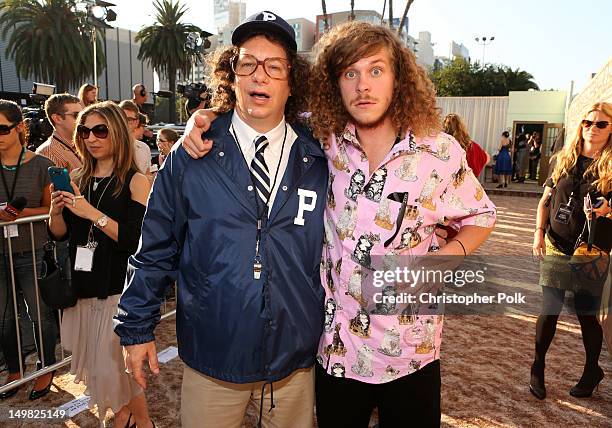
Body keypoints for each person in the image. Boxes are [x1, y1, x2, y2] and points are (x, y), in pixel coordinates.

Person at [182, 21, 496, 427]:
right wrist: (205, 117)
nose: (363, 85)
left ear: (398, 78)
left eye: (376, 70)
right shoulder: (321, 140)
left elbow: (481, 216)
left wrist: (444, 259)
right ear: (334, 83)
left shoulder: (438, 151)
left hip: (411, 353)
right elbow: (260, 111)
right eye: (350, 73)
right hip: (337, 355)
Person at [114, 11, 326, 428]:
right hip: (213, 357)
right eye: (247, 63)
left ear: (292, 82)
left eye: (274, 67)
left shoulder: (321, 158)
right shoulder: (193, 154)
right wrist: (136, 328)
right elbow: (155, 247)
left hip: (294, 361)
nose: (259, 76)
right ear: (232, 74)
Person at [47, 101, 153, 427]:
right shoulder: (78, 178)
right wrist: (56, 210)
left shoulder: (135, 181)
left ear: (117, 133)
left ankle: (128, 420)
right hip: (83, 286)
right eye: (84, 130)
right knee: (100, 370)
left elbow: (134, 240)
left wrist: (90, 213)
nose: (91, 138)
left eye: (100, 130)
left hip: (118, 289)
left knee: (114, 369)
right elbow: (61, 234)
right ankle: (137, 422)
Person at [531, 102, 612, 401]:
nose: (592, 128)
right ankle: (537, 367)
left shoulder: (611, 167)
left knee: (586, 313)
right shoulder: (564, 159)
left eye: (601, 124)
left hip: (591, 250)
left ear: (611, 129)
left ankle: (592, 370)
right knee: (549, 309)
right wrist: (538, 233)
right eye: (588, 122)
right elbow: (545, 201)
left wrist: (608, 209)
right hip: (555, 243)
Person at [0, 99, 58, 400]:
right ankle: (14, 369)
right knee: (5, 317)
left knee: (40, 314)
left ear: (19, 128)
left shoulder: (41, 165)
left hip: (31, 251)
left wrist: (16, 214)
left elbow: (51, 210)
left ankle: (46, 367)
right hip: (0, 254)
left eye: (2, 129)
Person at [36, 93, 83, 172]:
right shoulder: (48, 153)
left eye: (83, 115)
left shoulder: (83, 143)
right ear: (57, 119)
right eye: (77, 115)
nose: (82, 120)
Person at [119, 100, 152, 178]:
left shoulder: (144, 148)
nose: (124, 123)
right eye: (121, 118)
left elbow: (148, 174)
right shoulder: (108, 146)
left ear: (136, 122)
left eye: (129, 119)